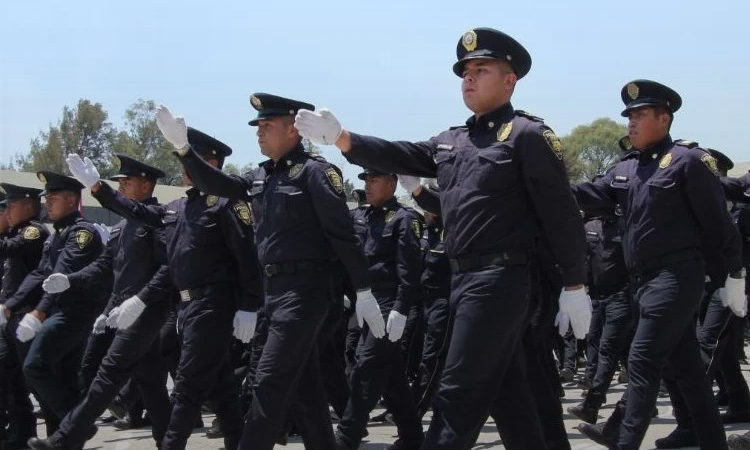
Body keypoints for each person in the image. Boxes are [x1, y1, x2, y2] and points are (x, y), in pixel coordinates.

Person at [294, 27, 590, 450]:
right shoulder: (452, 141)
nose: (468, 78)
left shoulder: (526, 135)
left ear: (510, 81)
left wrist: (574, 283)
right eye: (465, 71)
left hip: (502, 279)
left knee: (456, 395)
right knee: (513, 396)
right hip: (464, 281)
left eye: (481, 69)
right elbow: (399, 153)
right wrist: (343, 138)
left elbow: (561, 215)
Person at [154, 93, 377, 450]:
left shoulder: (316, 173)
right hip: (273, 293)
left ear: (293, 130)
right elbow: (217, 184)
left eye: (267, 125)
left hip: (307, 292)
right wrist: (183, 150)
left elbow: (343, 236)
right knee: (305, 389)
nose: (259, 132)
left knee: (267, 382)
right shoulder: (259, 176)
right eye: (257, 126)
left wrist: (363, 291)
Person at [572, 80, 744, 450]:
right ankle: (713, 441)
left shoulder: (689, 162)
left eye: (639, 115)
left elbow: (719, 223)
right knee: (686, 369)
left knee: (642, 360)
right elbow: (591, 194)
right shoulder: (628, 167)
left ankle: (624, 442)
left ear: (664, 119)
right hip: (643, 281)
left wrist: (735, 274)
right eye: (629, 116)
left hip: (677, 276)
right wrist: (549, 185)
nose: (630, 124)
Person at [64, 130, 261, 450]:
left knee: (186, 388)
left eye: (194, 163)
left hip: (214, 305)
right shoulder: (181, 207)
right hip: (189, 307)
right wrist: (99, 188)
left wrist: (250, 304)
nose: (185, 170)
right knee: (222, 388)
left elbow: (247, 255)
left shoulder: (227, 203)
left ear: (212, 165)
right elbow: (139, 211)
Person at [27, 155, 174, 450]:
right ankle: (170, 443)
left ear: (146, 185)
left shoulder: (159, 219)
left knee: (106, 377)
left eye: (127, 183)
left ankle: (63, 440)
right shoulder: (123, 226)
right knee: (152, 386)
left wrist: (140, 301)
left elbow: (168, 267)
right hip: (121, 313)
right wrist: (72, 280)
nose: (121, 188)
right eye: (118, 184)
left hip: (145, 313)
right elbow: (103, 266)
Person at [7, 172, 109, 439]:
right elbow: (39, 274)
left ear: (72, 199)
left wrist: (38, 313)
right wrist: (10, 305)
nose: (47, 204)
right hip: (60, 313)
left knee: (35, 366)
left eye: (53, 198)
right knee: (61, 379)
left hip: (73, 315)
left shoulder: (82, 233)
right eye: (47, 198)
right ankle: (61, 440)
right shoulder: (56, 237)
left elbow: (59, 276)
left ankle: (77, 423)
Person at [336, 168, 424, 450]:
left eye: (374, 180)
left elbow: (409, 272)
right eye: (366, 180)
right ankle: (412, 437)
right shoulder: (360, 216)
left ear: (392, 183)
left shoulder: (404, 218)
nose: (368, 185)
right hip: (366, 301)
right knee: (392, 376)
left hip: (389, 304)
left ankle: (346, 438)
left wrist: (401, 309)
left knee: (367, 367)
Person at [0, 183, 48, 449]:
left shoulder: (33, 230)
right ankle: (22, 431)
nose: (6, 210)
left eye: (11, 205)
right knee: (12, 377)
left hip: (28, 318)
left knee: (35, 377)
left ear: (28, 206)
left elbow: (12, 249)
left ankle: (66, 425)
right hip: (11, 317)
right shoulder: (15, 231)